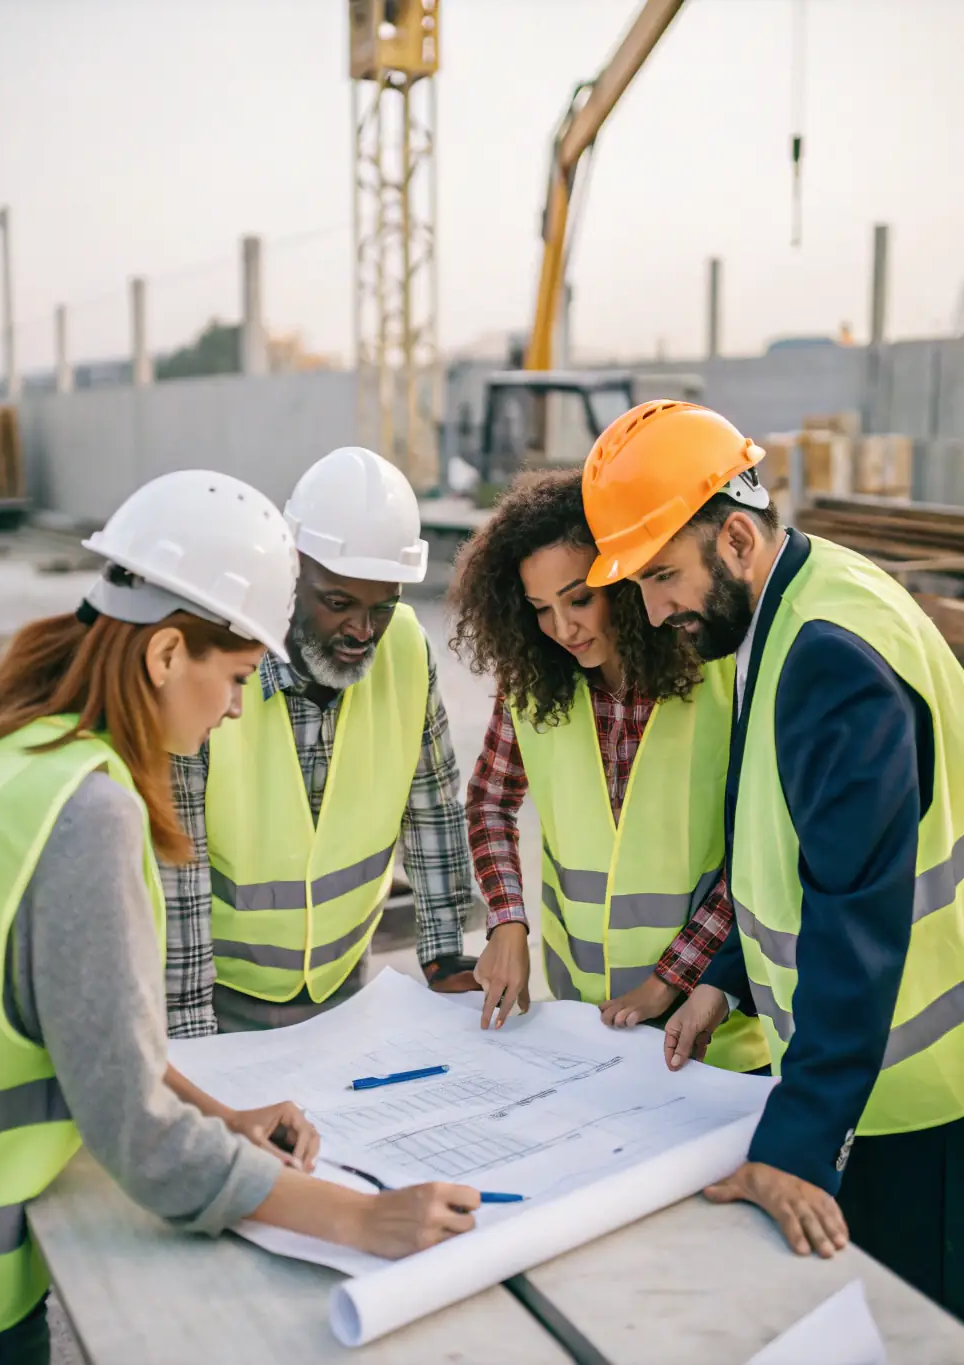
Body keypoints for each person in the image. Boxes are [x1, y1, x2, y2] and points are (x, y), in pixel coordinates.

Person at [0, 470, 480, 1364]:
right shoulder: (87, 813)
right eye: (232, 676)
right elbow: (140, 1141)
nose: (237, 707)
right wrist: (363, 1216)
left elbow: (86, 1034)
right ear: (163, 658)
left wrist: (217, 1112)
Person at [581, 398, 964, 1317]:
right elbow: (780, 847)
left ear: (739, 539)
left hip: (917, 1102)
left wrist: (791, 1149)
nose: (654, 606)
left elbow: (853, 923)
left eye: (664, 574)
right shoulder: (795, 610)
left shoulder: (828, 657)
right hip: (879, 1085)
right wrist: (724, 977)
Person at [448, 469, 769, 1074]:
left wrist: (671, 979)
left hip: (713, 1040)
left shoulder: (723, 675)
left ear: (624, 581)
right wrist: (506, 921)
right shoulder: (530, 685)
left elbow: (755, 855)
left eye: (578, 599)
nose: (562, 629)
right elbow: (490, 801)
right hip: (586, 1030)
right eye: (540, 609)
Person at [164, 446, 480, 1038]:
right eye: (338, 603)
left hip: (344, 988)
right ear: (289, 571)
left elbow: (433, 808)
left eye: (382, 607)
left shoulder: (407, 650)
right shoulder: (218, 666)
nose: (363, 631)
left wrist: (444, 951)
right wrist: (189, 1032)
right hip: (217, 995)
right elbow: (177, 868)